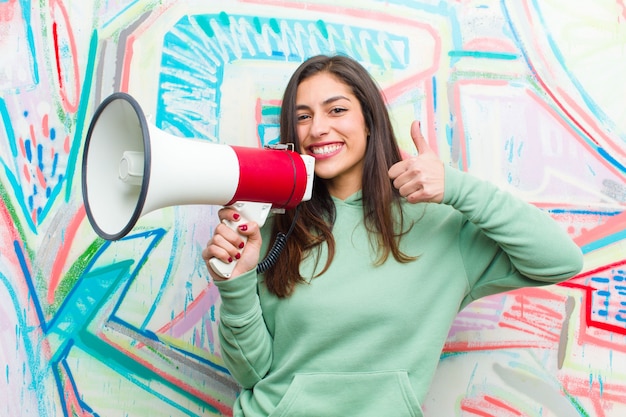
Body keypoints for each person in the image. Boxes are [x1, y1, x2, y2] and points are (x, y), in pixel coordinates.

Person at [202, 54, 583, 417]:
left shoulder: (441, 227)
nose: (317, 128)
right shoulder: (273, 228)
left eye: (336, 110)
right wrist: (236, 286)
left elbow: (560, 259)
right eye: (303, 117)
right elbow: (250, 373)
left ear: (369, 120)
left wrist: (454, 186)